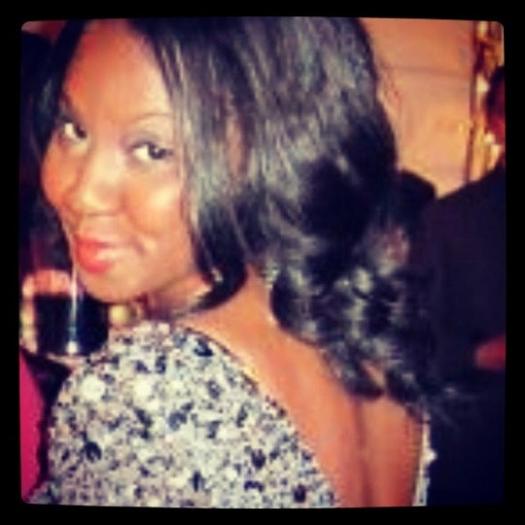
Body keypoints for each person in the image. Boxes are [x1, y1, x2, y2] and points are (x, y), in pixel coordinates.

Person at [25, 18, 451, 508]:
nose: (82, 192)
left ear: (267, 154)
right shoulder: (364, 337)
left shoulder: (145, 393)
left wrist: (114, 397)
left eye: (152, 150)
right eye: (73, 128)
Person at [411, 66, 506, 505]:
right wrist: (480, 354)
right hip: (479, 457)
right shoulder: (447, 222)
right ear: (493, 122)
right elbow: (411, 347)